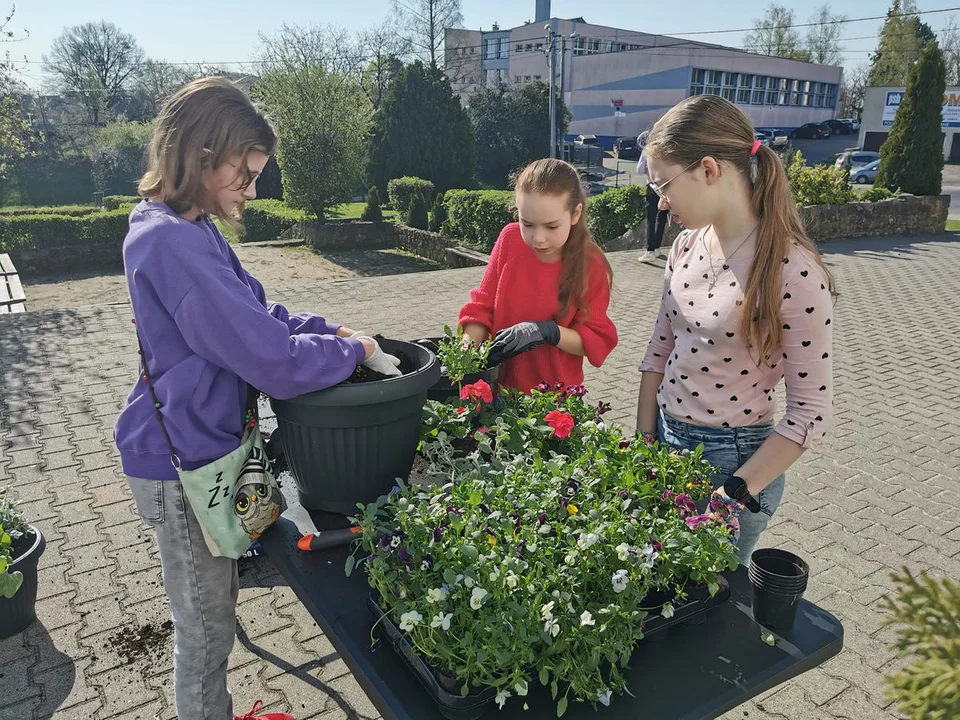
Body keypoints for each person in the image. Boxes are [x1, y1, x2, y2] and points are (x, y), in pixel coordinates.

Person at [114, 77, 401, 720]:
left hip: (203, 445)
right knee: (205, 628)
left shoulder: (185, 225)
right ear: (200, 152)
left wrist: (329, 329)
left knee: (213, 612)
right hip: (182, 467)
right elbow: (270, 359)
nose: (251, 189)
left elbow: (258, 313)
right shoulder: (171, 242)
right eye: (243, 173)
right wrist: (353, 354)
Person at [635, 95, 835, 565]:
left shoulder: (793, 270)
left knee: (709, 608)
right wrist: (644, 447)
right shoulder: (684, 245)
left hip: (735, 463)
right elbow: (657, 354)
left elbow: (810, 413)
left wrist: (733, 493)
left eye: (663, 185)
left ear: (708, 169)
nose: (661, 203)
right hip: (665, 442)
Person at [458, 158, 618, 392]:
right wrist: (465, 351)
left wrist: (547, 332)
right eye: (527, 224)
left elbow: (594, 338)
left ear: (575, 213)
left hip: (553, 402)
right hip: (497, 388)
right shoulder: (510, 240)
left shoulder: (590, 264)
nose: (538, 238)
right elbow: (482, 308)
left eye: (551, 226)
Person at [636, 132, 669, 264]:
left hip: (652, 186)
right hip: (666, 187)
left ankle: (649, 251)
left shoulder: (647, 150)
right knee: (661, 218)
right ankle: (657, 248)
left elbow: (639, 169)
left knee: (651, 218)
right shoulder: (667, 149)